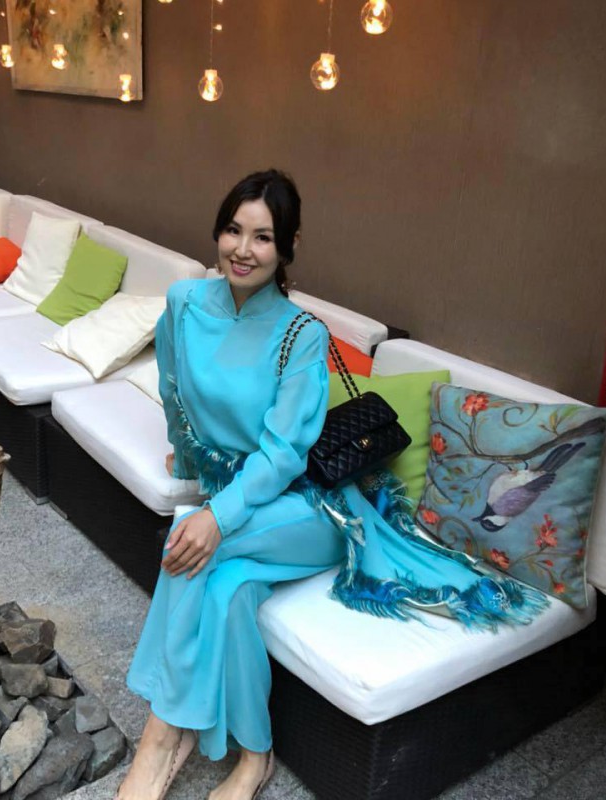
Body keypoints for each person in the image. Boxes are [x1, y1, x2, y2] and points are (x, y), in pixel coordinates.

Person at [117, 169, 547, 800]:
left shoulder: (301, 334)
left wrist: (216, 515)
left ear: (288, 247)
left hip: (313, 507)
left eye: (263, 237)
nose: (243, 249)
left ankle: (161, 737)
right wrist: (189, 466)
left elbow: (284, 454)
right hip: (247, 502)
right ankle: (256, 757)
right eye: (233, 230)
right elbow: (174, 392)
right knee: (228, 590)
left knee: (188, 544)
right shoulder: (184, 305)